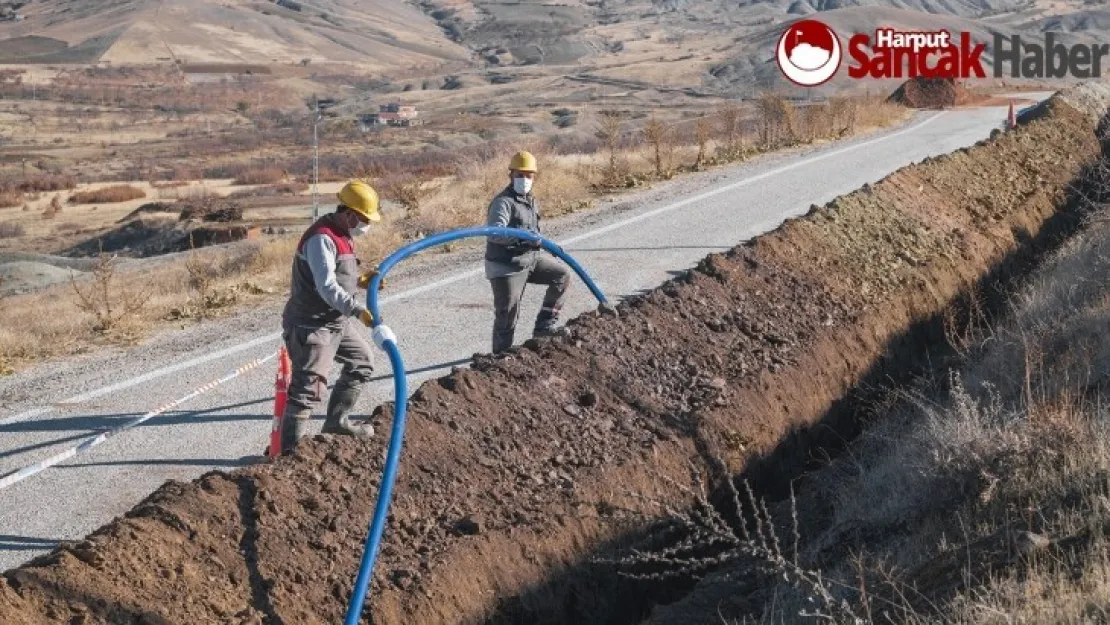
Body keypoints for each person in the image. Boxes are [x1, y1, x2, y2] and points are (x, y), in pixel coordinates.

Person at [279, 179, 383, 454]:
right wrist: (357, 310)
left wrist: (361, 281)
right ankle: (289, 455)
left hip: (334, 320)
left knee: (362, 362)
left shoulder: (343, 233)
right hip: (311, 324)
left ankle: (337, 422)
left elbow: (337, 276)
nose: (366, 225)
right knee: (307, 392)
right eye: (363, 219)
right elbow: (325, 286)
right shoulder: (321, 238)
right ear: (349, 214)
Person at [484, 151, 570, 354]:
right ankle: (499, 358)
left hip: (528, 260)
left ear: (534, 177)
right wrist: (523, 237)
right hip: (506, 266)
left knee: (562, 276)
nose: (523, 180)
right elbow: (495, 232)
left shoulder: (530, 200)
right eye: (519, 175)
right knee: (508, 314)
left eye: (528, 175)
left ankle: (544, 326)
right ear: (510, 175)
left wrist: (549, 245)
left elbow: (535, 233)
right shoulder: (503, 202)